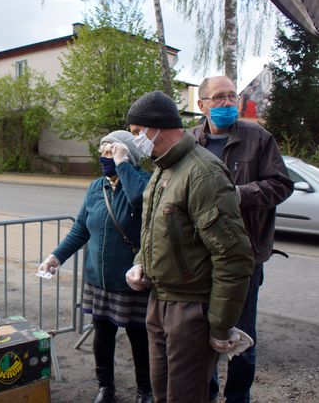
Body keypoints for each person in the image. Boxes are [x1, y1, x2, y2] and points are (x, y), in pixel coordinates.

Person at [125, 91, 254, 403]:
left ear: (156, 128)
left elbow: (233, 256)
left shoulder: (202, 173)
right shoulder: (163, 168)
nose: (134, 141)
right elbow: (154, 230)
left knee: (185, 397)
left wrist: (220, 326)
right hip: (159, 300)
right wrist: (141, 262)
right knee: (162, 394)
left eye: (136, 133)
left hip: (190, 309)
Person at [191, 76, 294, 403]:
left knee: (241, 336)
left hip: (244, 259)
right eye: (218, 97)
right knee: (202, 334)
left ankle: (238, 398)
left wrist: (239, 194)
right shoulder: (191, 142)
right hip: (200, 257)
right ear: (202, 104)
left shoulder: (258, 138)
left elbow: (281, 185)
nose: (227, 103)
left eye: (231, 96)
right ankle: (206, 394)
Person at [39, 130, 152, 403]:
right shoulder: (95, 187)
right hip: (98, 279)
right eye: (102, 152)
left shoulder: (144, 183)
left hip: (131, 280)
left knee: (139, 336)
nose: (105, 158)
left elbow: (140, 200)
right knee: (102, 334)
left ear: (126, 155)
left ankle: (145, 391)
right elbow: (81, 229)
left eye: (111, 152)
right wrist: (56, 256)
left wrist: (125, 167)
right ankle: (105, 387)